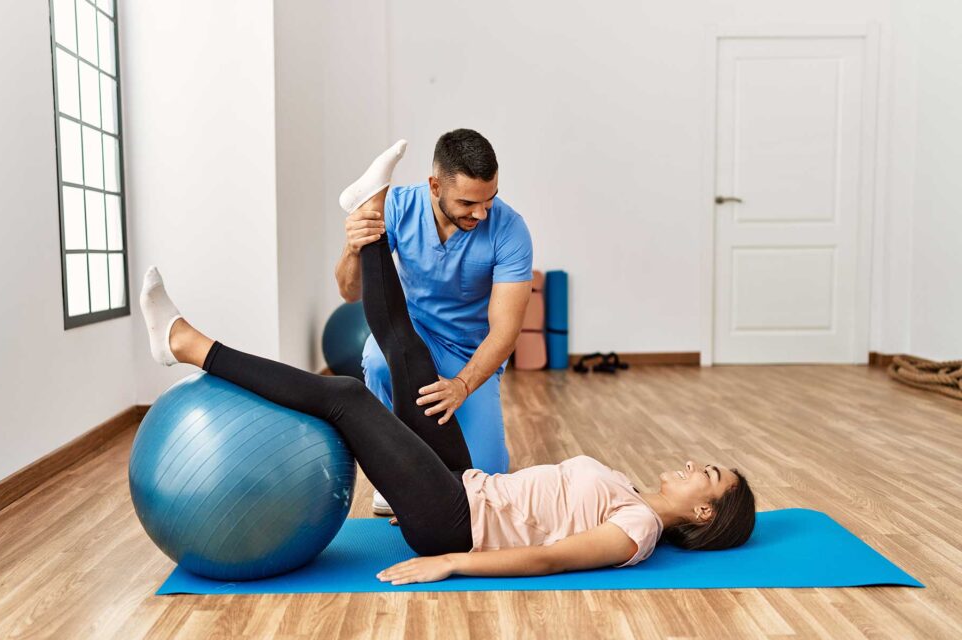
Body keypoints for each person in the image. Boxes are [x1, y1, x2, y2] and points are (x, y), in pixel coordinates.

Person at [137, 143, 756, 585]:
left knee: (347, 396)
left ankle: (189, 344)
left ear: (703, 512)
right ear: (437, 187)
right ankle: (368, 210)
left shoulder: (638, 527)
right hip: (469, 488)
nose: (694, 464)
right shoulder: (628, 491)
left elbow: (548, 560)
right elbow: (351, 292)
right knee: (407, 353)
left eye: (709, 473)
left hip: (455, 524)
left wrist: (452, 561)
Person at [334, 131, 532, 516]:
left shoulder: (510, 230)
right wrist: (352, 247)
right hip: (412, 337)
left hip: (471, 355)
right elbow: (349, 292)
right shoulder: (400, 208)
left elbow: (506, 332)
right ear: (435, 185)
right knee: (377, 359)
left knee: (485, 492)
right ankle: (394, 472)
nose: (481, 213)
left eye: (489, 200)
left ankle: (470, 450)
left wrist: (462, 385)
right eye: (468, 203)